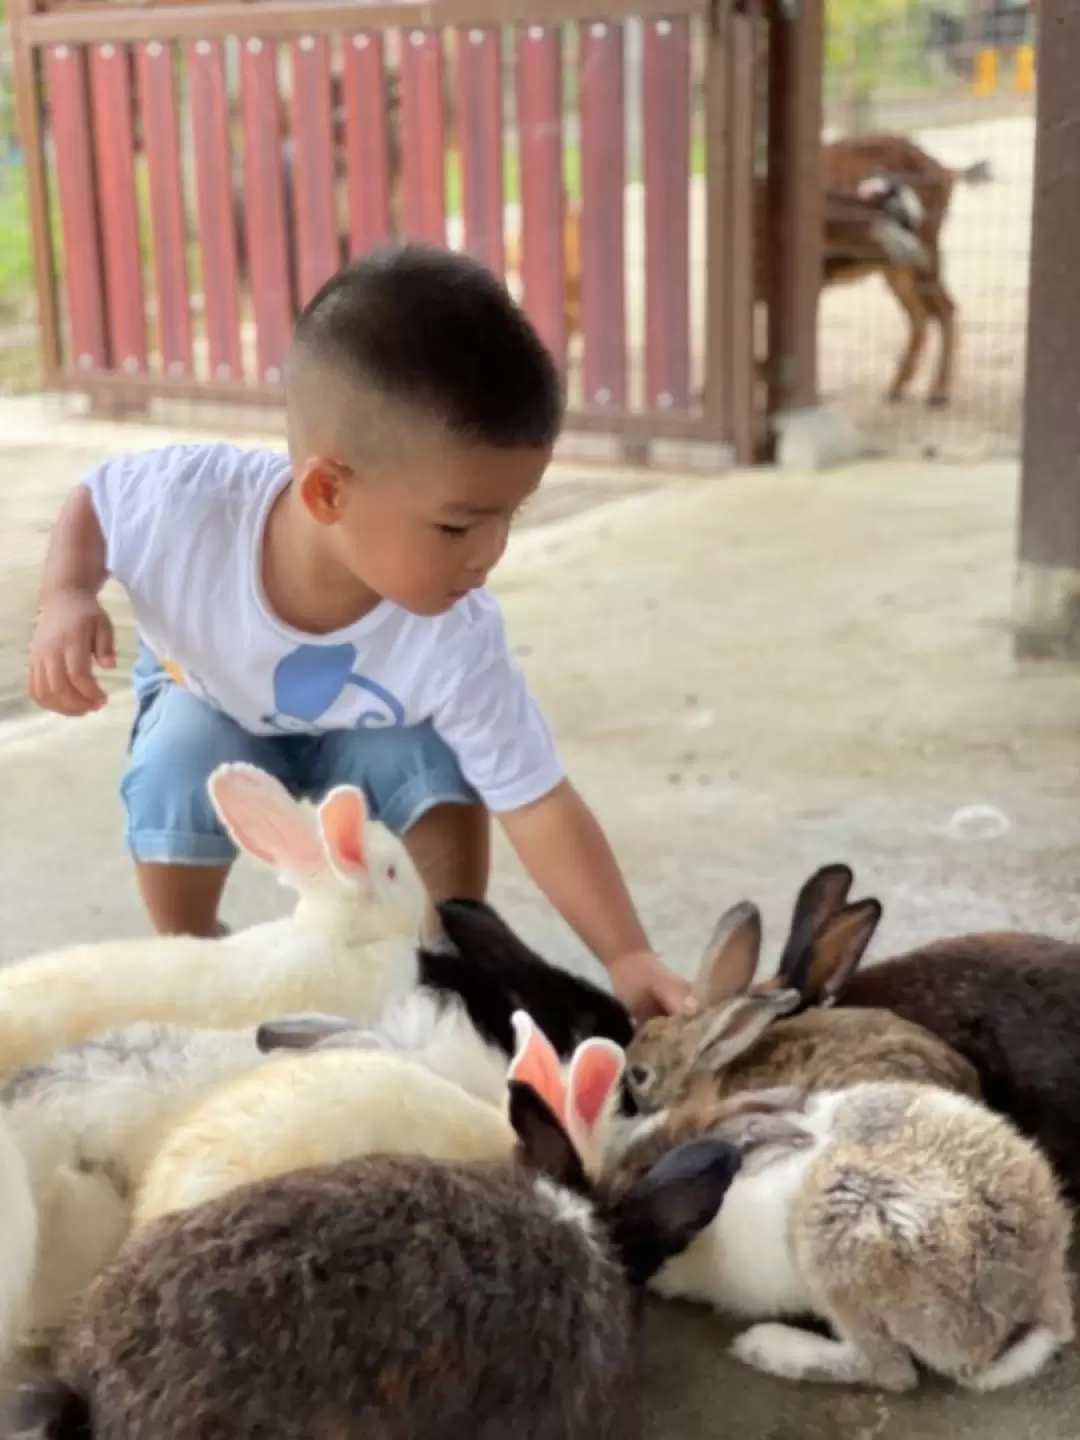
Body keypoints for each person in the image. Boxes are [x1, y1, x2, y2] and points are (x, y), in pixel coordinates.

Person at [26, 243, 691, 1022]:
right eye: (458, 525)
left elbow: (536, 797)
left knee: (435, 760)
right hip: (210, 700)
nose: (490, 553)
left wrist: (626, 953)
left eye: (509, 517)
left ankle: (445, 956)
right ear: (328, 489)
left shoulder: (456, 632)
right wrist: (67, 595)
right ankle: (195, 957)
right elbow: (95, 501)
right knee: (177, 763)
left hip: (366, 730)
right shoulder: (190, 508)